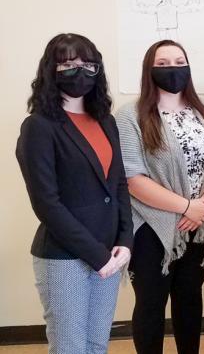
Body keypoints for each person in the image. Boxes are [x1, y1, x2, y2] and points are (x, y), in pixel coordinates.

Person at [116, 40, 204, 354]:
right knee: (151, 303)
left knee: (189, 299)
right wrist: (186, 206)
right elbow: (132, 178)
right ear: (150, 69)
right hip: (151, 226)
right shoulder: (131, 115)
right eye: (164, 63)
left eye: (179, 61)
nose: (173, 68)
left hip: (198, 224)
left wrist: (202, 206)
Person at [16, 33, 133, 353]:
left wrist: (125, 240)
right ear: (50, 71)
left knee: (97, 344)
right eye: (67, 64)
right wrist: (97, 256)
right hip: (65, 256)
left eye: (87, 64)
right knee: (69, 346)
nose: (78, 70)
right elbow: (46, 203)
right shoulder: (38, 127)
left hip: (110, 252)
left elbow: (119, 184)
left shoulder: (106, 121)